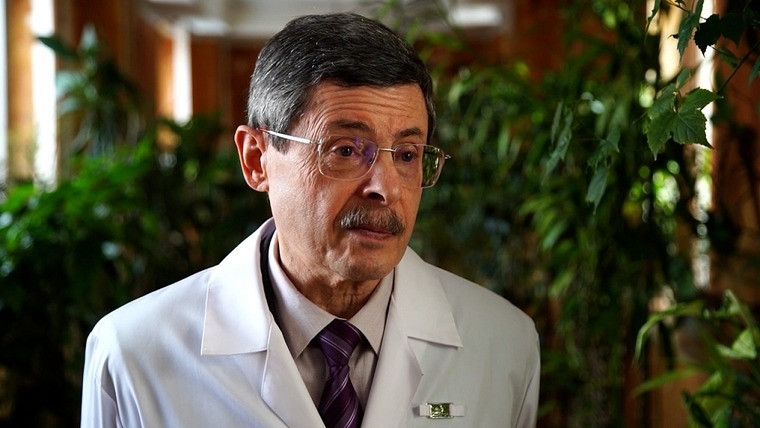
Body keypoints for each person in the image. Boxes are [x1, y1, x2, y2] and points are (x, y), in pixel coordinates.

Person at [81, 12, 540, 428]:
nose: (387, 188)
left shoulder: (504, 344)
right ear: (257, 160)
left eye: (406, 155)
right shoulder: (133, 354)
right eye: (346, 150)